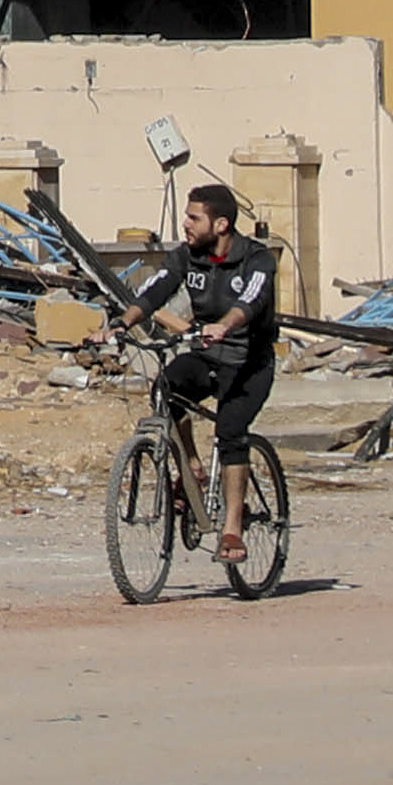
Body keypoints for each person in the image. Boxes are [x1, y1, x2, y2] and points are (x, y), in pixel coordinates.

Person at [144, 177, 280, 577]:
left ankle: (233, 529)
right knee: (165, 388)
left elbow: (251, 300)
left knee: (231, 429)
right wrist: (121, 322)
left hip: (250, 363)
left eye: (193, 217)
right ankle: (193, 470)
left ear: (220, 224)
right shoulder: (187, 256)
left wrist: (224, 324)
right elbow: (153, 293)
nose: (185, 224)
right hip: (209, 355)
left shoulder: (256, 259)